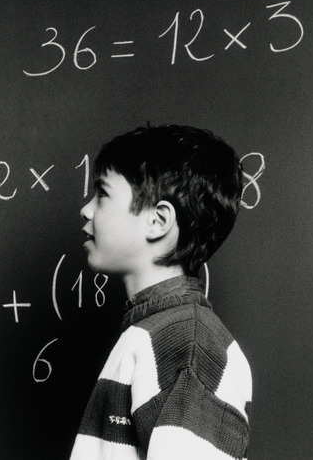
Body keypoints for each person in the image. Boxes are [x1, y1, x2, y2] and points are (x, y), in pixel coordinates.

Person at [70, 124, 252, 459]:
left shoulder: (187, 344)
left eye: (103, 194)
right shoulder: (154, 332)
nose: (87, 209)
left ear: (158, 221)